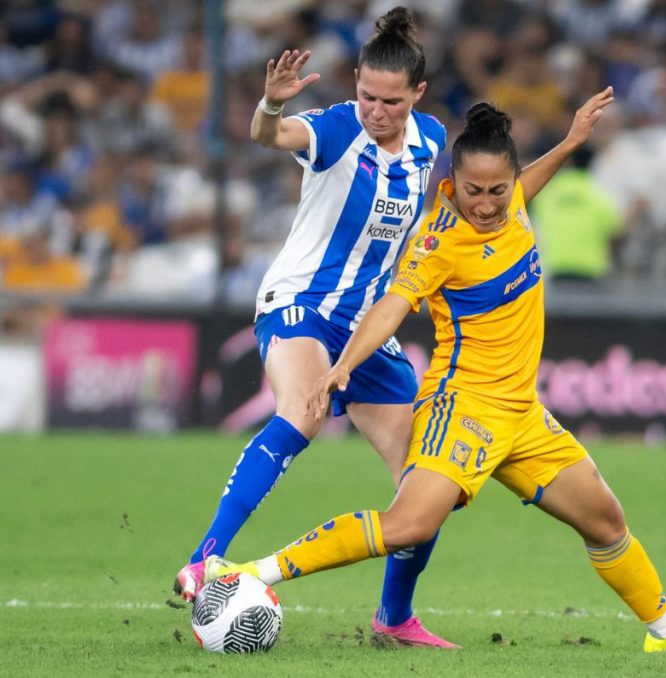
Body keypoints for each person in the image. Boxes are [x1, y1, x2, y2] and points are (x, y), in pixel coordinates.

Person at [194, 93, 666, 654]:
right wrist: (342, 366)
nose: (485, 205)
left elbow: (524, 189)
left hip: (523, 414)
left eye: (497, 191)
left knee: (605, 519)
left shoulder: (512, 205)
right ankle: (251, 573)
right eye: (472, 192)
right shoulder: (439, 244)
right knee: (409, 523)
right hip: (462, 407)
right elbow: (390, 306)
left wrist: (570, 143)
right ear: (452, 184)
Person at [172, 7, 456, 649]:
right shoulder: (334, 129)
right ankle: (202, 557)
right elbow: (269, 137)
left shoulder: (432, 140)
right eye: (365, 95)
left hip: (365, 327)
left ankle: (395, 619)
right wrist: (270, 107)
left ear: (417, 95)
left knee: (425, 484)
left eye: (389, 101)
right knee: (303, 409)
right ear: (353, 83)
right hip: (299, 301)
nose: (375, 111)